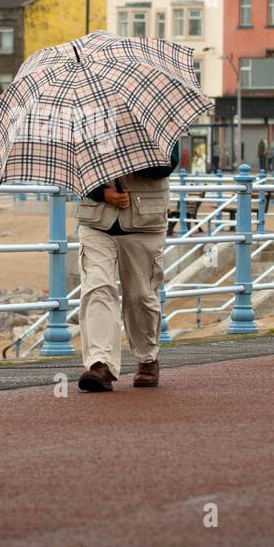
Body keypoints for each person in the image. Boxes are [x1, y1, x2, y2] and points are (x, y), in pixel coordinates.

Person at [74, 143, 180, 392]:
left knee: (140, 295)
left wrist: (125, 155)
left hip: (144, 221)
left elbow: (166, 165)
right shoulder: (87, 120)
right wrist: (101, 193)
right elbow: (77, 168)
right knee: (97, 288)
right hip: (96, 221)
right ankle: (100, 364)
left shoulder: (155, 113)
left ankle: (147, 359)